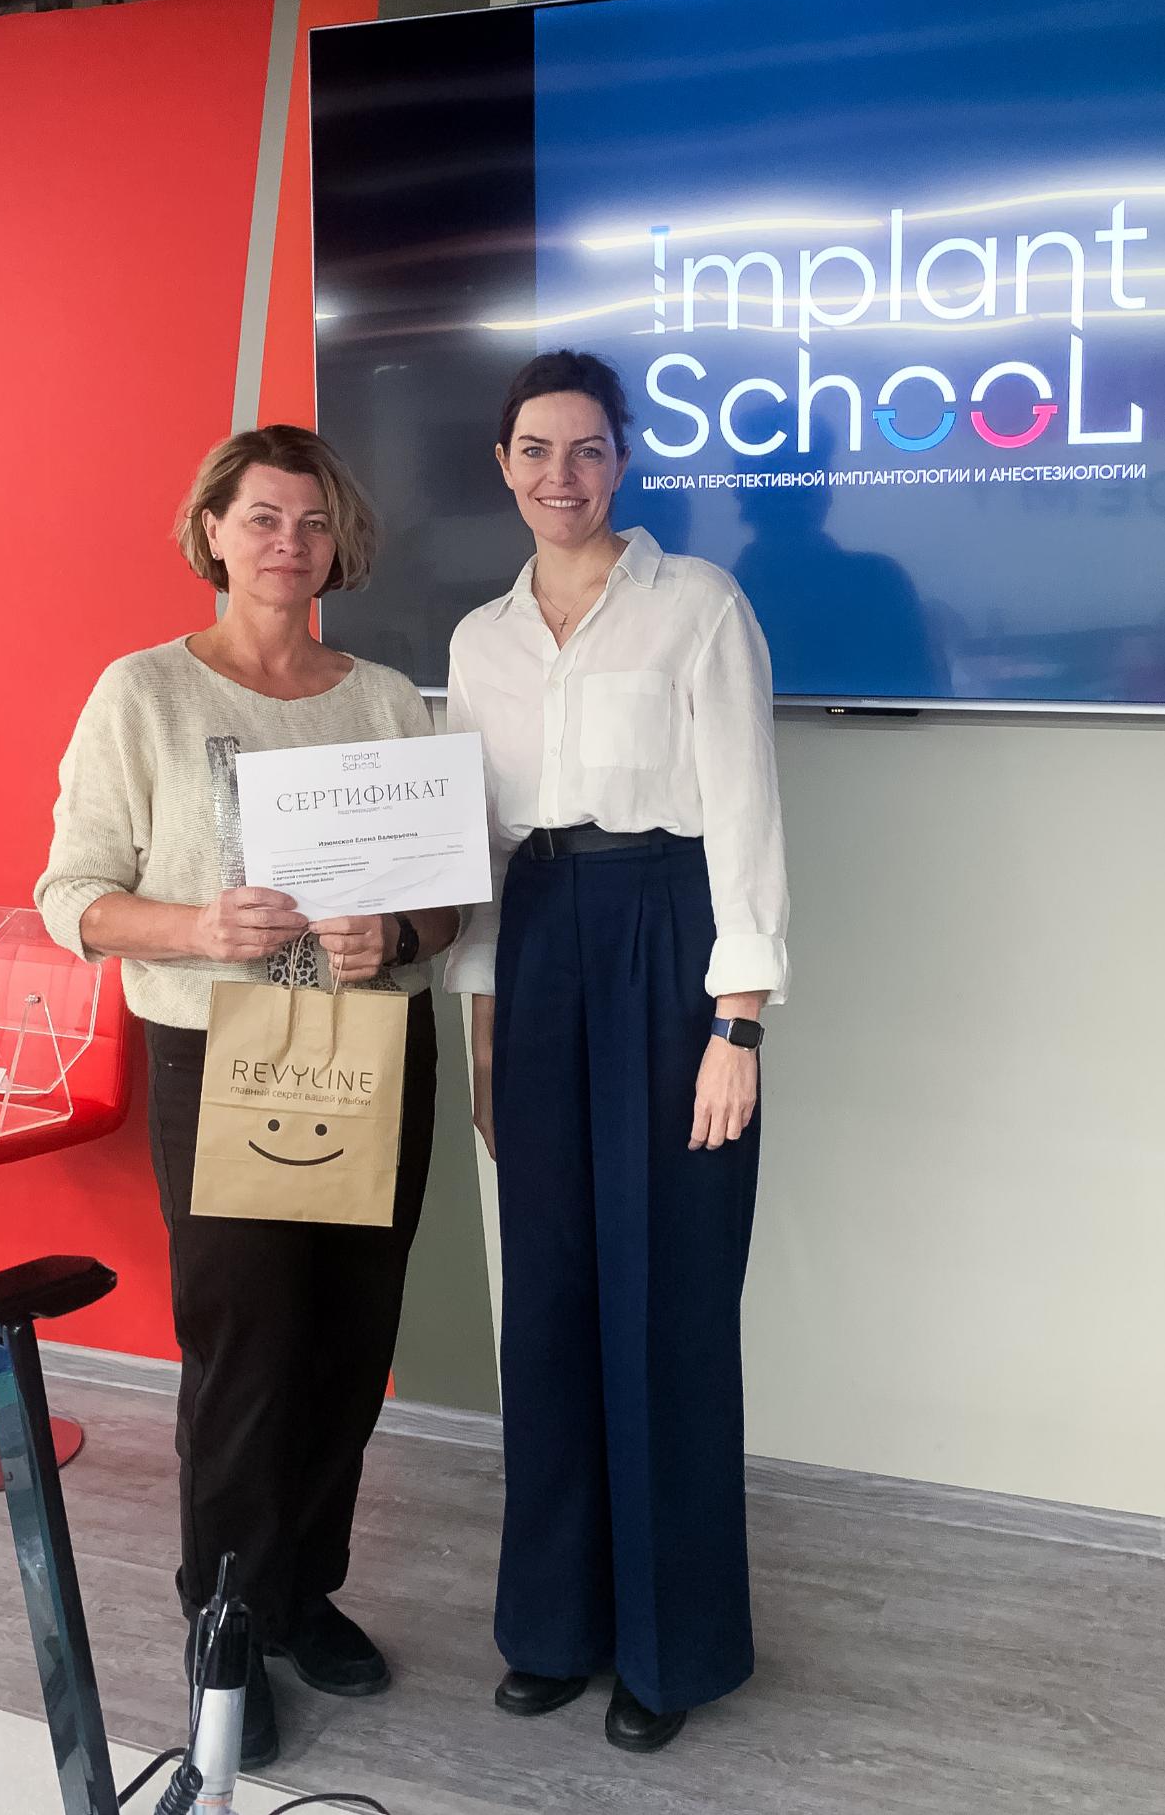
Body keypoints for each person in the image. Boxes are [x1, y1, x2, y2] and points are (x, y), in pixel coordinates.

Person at [35, 424, 458, 1769]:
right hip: (220, 1056)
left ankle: (301, 1594)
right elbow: (69, 898)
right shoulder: (144, 693)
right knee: (247, 1350)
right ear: (212, 531)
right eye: (263, 518)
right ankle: (223, 1622)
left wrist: (394, 934)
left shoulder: (385, 700)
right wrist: (194, 929)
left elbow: (447, 903)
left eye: (313, 522)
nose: (289, 544)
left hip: (372, 1049)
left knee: (348, 1337)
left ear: (342, 544)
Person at [444, 350, 789, 1755]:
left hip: (666, 936)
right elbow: (477, 853)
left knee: (666, 1300)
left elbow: (746, 818)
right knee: (547, 1299)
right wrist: (482, 1034)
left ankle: (667, 1646)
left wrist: (736, 1024)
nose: (561, 475)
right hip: (534, 946)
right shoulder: (480, 640)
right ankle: (554, 1626)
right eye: (535, 450)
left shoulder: (696, 606)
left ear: (623, 459)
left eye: (587, 449)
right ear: (503, 465)